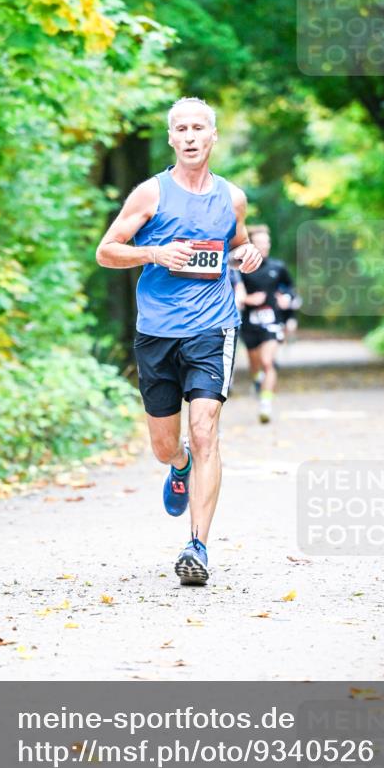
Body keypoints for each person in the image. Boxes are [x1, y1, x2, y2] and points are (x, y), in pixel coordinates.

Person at [96, 97, 262, 585]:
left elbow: (237, 244)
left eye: (198, 128)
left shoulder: (232, 197)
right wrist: (155, 253)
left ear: (213, 136)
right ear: (171, 138)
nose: (190, 137)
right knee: (164, 445)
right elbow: (106, 251)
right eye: (181, 129)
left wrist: (247, 255)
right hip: (157, 331)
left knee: (206, 429)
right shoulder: (151, 194)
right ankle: (180, 464)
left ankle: (197, 547)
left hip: (213, 327)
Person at [233, 224, 299, 423]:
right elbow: (234, 293)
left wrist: (287, 299)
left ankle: (265, 404)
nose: (265, 246)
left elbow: (291, 289)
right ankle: (257, 380)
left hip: (273, 321)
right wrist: (248, 299)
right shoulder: (240, 269)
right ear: (252, 245)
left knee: (268, 362)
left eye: (267, 243)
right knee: (255, 364)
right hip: (249, 323)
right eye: (260, 243)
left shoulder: (278, 267)